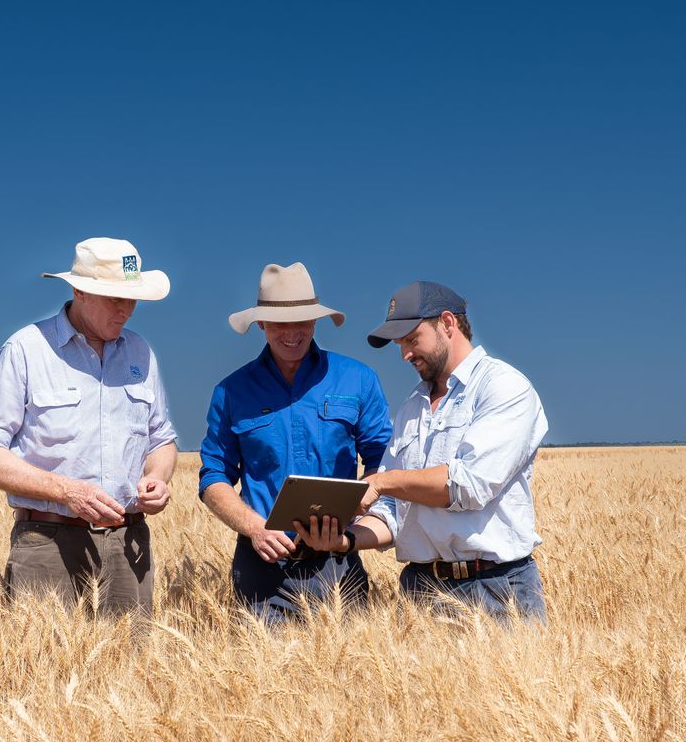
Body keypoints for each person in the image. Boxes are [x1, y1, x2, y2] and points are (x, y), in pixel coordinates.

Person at [296, 281, 548, 622]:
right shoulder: (412, 406)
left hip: (498, 592)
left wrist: (385, 482)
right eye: (400, 345)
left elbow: (470, 485)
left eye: (412, 339)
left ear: (447, 324)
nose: (404, 355)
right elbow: (392, 512)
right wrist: (342, 541)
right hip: (420, 591)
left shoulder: (503, 387)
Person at [0, 237, 177, 615]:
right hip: (48, 541)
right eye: (115, 298)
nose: (127, 310)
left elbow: (162, 439)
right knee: (44, 667)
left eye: (133, 299)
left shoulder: (141, 353)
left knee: (132, 669)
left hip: (129, 541)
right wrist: (65, 491)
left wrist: (158, 478)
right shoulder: (27, 349)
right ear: (80, 290)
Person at [199, 263, 391, 620]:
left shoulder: (359, 380)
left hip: (338, 562)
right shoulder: (230, 392)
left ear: (315, 321)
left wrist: (365, 499)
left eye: (302, 320)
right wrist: (256, 529)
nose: (292, 333)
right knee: (260, 675)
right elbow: (213, 478)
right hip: (261, 568)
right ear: (261, 324)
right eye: (280, 322)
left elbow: (383, 458)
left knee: (351, 675)